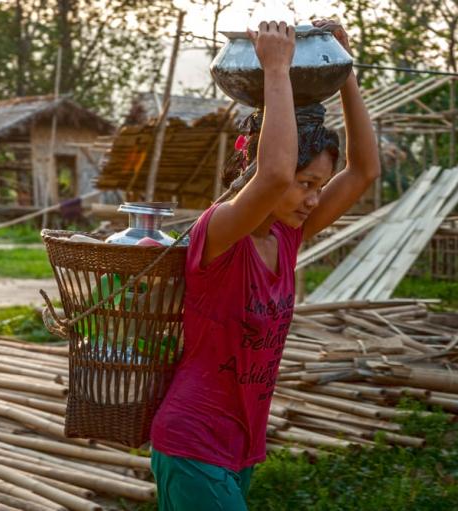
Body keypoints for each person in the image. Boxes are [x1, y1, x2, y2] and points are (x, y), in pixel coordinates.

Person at [149, 18, 380, 511]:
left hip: (240, 446)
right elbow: (274, 174)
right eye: (306, 184)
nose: (312, 198)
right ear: (255, 170)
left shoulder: (287, 237)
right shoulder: (219, 232)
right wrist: (276, 68)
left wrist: (344, 70)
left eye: (319, 185)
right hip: (192, 441)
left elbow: (364, 171)